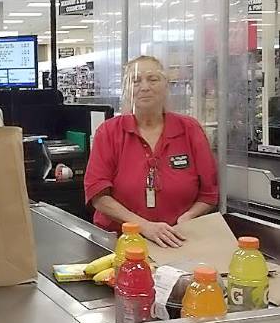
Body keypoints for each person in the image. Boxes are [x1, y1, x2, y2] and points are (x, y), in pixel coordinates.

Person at [84, 56, 218, 248]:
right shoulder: (109, 132)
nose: (144, 87)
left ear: (166, 86)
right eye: (136, 81)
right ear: (127, 90)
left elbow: (209, 194)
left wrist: (189, 217)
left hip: (177, 241)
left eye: (153, 79)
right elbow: (97, 194)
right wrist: (143, 226)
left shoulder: (190, 129)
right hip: (119, 241)